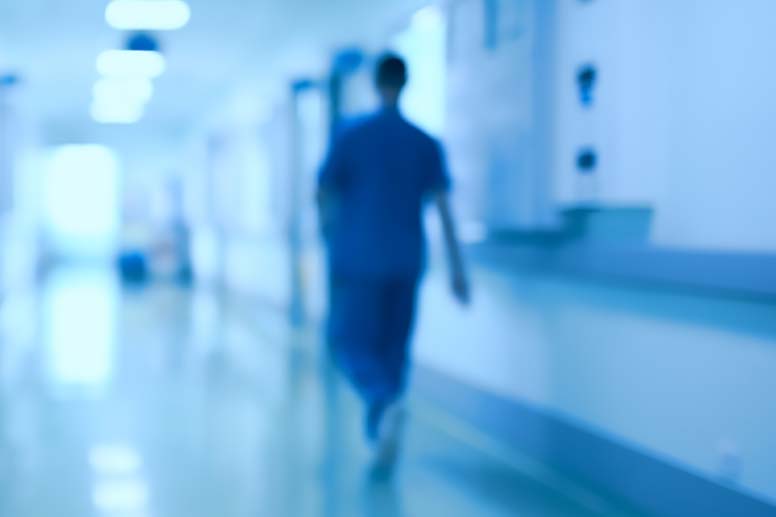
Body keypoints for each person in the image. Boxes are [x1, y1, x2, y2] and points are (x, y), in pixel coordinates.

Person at [317, 53, 470, 467]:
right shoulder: (424, 142)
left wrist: (329, 237)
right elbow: (443, 209)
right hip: (406, 260)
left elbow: (325, 192)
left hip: (358, 259)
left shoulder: (350, 135)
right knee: (393, 350)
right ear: (406, 83)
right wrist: (458, 270)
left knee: (349, 343)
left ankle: (382, 403)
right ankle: (383, 424)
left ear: (375, 82)